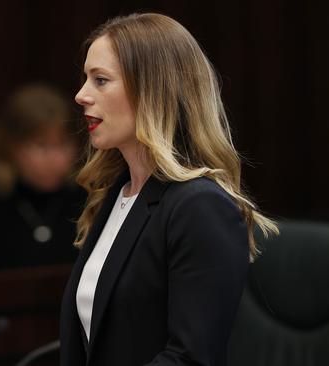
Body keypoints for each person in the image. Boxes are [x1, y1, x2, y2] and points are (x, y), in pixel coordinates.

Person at [59, 13, 278, 366]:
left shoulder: (200, 207)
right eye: (85, 79)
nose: (81, 95)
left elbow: (191, 358)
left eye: (100, 80)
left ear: (153, 90)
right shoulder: (116, 194)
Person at [0, 83, 85, 270]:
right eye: (41, 145)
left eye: (62, 144)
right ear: (11, 147)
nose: (54, 158)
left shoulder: (88, 204)